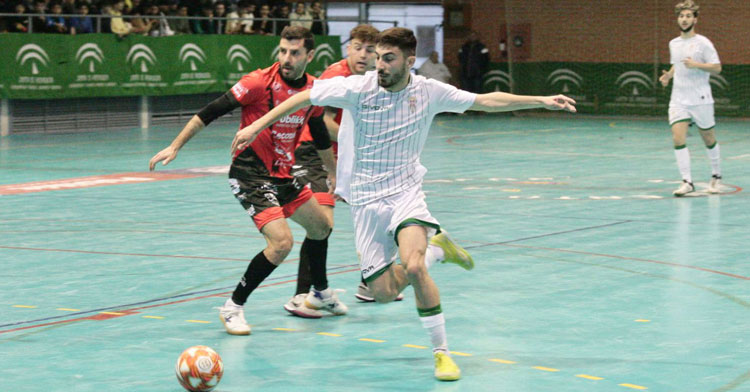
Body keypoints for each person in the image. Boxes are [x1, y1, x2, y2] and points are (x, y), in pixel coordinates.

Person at [231, 27, 576, 381]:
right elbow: (303, 98)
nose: (379, 65)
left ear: (409, 62)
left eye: (388, 59)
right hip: (366, 202)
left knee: (413, 267)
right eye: (378, 57)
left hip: (406, 195)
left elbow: (486, 100)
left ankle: (441, 352)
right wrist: (256, 125)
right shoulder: (358, 87)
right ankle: (438, 250)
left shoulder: (429, 92)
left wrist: (542, 100)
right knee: (382, 294)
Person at [149, 26, 346, 336]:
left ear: (309, 56)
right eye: (282, 51)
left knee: (321, 227)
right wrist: (175, 146)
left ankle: (319, 292)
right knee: (281, 243)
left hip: (283, 175)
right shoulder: (258, 82)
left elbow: (319, 130)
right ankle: (233, 307)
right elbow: (210, 111)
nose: (286, 58)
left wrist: (332, 171)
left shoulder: (313, 89)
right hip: (250, 174)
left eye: (294, 53)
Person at [658, 0, 722, 196]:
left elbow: (717, 67)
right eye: (681, 16)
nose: (684, 19)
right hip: (678, 99)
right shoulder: (673, 43)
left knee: (708, 138)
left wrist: (697, 65)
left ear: (695, 19)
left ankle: (716, 176)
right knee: (678, 139)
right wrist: (668, 75)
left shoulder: (703, 43)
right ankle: (687, 181)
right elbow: (678, 64)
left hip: (700, 98)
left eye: (688, 16)